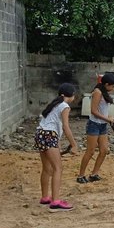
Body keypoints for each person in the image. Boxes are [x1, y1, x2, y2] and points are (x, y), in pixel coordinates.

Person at [34, 83, 79, 212]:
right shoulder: (65, 106)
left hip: (41, 134)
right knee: (57, 168)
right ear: (70, 96)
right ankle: (56, 201)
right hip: (49, 135)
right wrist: (74, 145)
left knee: (47, 168)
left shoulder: (54, 104)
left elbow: (53, 125)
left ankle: (45, 197)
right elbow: (65, 127)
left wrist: (58, 145)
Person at [77, 74, 114, 184]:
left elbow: (103, 109)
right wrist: (107, 118)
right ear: (106, 84)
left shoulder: (104, 92)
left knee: (104, 150)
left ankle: (94, 174)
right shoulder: (97, 92)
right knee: (90, 151)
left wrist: (108, 118)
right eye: (112, 86)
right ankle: (80, 175)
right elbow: (94, 111)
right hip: (94, 124)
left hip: (102, 125)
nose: (113, 89)